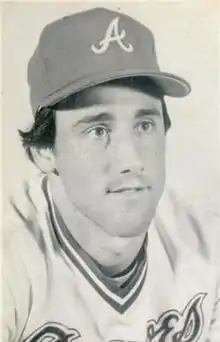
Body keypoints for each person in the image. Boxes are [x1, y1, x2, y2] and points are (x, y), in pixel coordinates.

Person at [3, 7, 219, 342]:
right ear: (45, 151)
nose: (131, 160)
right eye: (98, 130)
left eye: (144, 125)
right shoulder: (11, 261)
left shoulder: (207, 242)